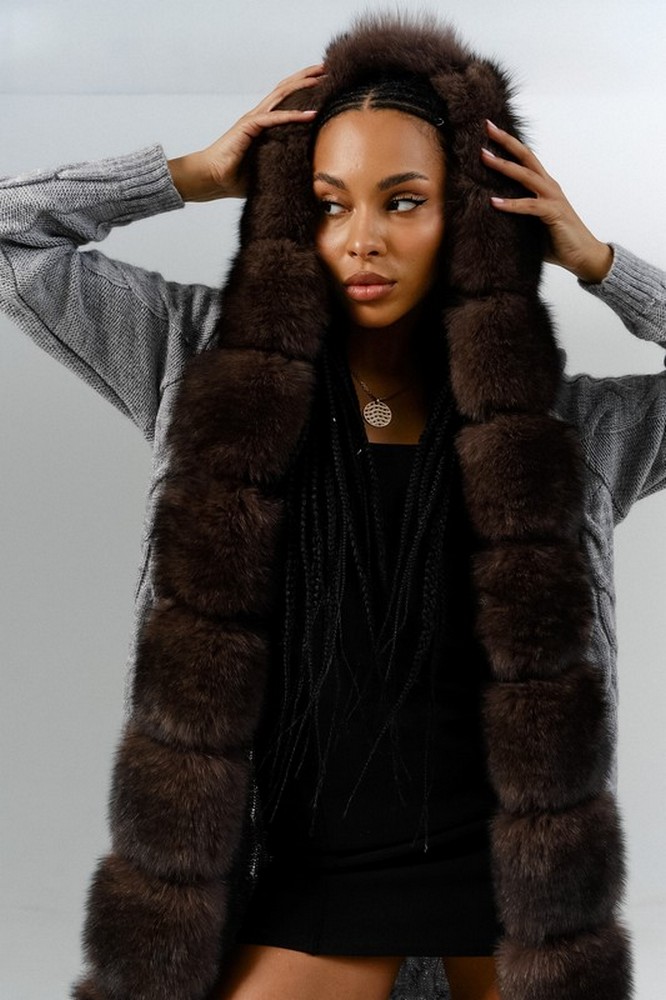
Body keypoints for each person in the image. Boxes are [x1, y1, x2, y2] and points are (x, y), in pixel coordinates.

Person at [1, 14, 664, 1000]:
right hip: (311, 883)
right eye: (326, 203)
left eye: (404, 201)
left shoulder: (564, 428)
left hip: (510, 898)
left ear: (472, 214)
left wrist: (600, 260)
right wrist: (186, 174)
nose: (361, 239)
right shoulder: (207, 370)